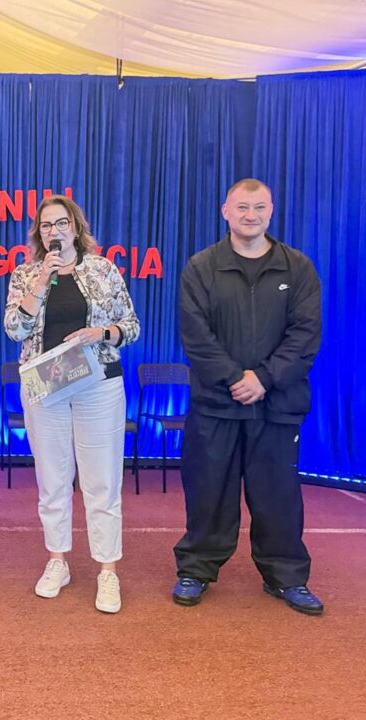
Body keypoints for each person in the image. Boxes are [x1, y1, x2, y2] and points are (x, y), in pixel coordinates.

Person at [172, 178, 324, 615]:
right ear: (226, 212)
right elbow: (196, 336)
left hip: (278, 408)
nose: (250, 215)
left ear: (271, 211)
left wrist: (265, 379)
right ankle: (196, 570)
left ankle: (286, 577)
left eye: (259, 207)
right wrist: (235, 379)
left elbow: (305, 335)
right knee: (207, 495)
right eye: (242, 207)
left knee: (278, 498)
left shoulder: (298, 268)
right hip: (216, 406)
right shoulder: (201, 267)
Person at [4, 195, 140, 613]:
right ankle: (57, 561)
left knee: (102, 482)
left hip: (98, 383)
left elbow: (131, 326)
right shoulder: (26, 273)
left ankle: (107, 571)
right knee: (53, 481)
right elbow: (14, 329)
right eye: (46, 226)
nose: (55, 232)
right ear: (38, 233)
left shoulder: (102, 269)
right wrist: (40, 283)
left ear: (76, 228)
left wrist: (100, 333)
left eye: (62, 223)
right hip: (44, 384)